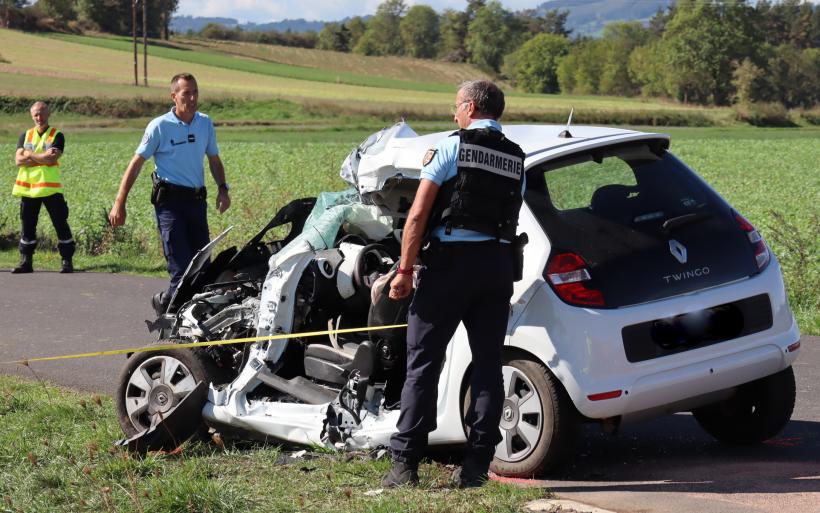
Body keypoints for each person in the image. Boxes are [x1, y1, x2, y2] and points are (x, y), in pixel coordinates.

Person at [382, 80, 526, 488]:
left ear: (468, 107)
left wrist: (405, 272)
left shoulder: (451, 147)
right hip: (497, 267)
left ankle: (404, 466)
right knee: (488, 368)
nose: (453, 114)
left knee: (422, 365)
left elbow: (417, 216)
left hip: (450, 267)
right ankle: (477, 468)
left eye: (455, 107)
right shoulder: (516, 158)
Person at [109, 73, 231, 313]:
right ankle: (174, 324)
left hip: (196, 202)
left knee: (201, 268)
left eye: (196, 92)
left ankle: (167, 302)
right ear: (174, 96)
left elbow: (214, 159)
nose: (193, 98)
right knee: (181, 269)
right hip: (170, 204)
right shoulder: (160, 126)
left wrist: (223, 188)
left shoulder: (205, 123)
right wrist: (119, 203)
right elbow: (136, 164)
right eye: (187, 93)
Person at [12, 101, 75, 274]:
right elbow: (18, 161)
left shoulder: (57, 135)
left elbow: (51, 159)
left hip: (50, 189)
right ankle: (26, 261)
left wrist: (29, 154)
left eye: (42, 114)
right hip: (29, 190)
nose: (39, 117)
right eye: (36, 115)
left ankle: (67, 261)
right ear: (32, 116)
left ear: (48, 114)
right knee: (27, 226)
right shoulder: (25, 135)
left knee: (60, 224)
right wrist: (42, 156)